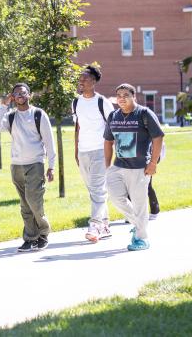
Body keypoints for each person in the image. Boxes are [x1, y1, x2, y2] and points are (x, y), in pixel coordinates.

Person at [0, 83, 56, 252]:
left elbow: (49, 141)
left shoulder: (38, 114)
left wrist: (51, 166)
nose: (20, 95)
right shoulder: (11, 116)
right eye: (16, 93)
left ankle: (44, 232)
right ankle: (30, 238)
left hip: (35, 163)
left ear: (29, 95)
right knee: (25, 204)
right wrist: (3, 106)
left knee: (34, 201)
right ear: (13, 97)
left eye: (23, 92)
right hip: (16, 165)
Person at [104, 84, 164, 251]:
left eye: (125, 95)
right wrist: (107, 166)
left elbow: (158, 138)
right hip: (118, 166)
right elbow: (108, 141)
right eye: (118, 95)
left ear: (134, 97)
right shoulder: (113, 116)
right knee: (116, 198)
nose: (121, 98)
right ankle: (139, 224)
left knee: (139, 204)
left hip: (139, 168)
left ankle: (141, 239)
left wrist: (153, 163)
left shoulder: (144, 114)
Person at [72, 65, 115, 243]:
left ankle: (94, 225)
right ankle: (105, 225)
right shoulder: (75, 102)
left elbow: (112, 127)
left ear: (94, 81)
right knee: (94, 190)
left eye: (85, 79)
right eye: (80, 79)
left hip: (100, 150)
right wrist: (76, 151)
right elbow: (78, 127)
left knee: (97, 189)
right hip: (83, 151)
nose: (81, 81)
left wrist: (111, 152)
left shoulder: (102, 102)